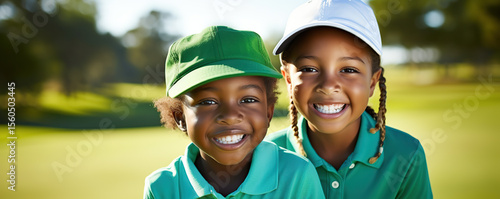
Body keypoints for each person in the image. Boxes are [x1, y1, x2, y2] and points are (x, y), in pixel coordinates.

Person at [265, 0, 433, 198]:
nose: (328, 85)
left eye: (348, 70)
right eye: (309, 69)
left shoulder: (406, 155)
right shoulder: (265, 159)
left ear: (372, 82)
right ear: (288, 80)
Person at [144, 26, 324, 199]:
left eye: (248, 100)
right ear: (179, 117)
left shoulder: (297, 175)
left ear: (268, 112)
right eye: (208, 102)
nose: (230, 116)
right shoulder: (162, 188)